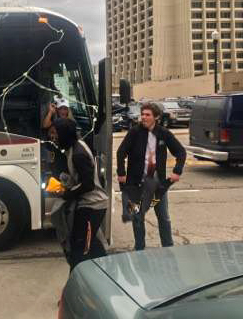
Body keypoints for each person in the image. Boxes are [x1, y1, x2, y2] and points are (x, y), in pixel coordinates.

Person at [117, 102, 186, 251]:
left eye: (147, 115)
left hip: (157, 187)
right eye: (142, 114)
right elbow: (120, 152)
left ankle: (168, 248)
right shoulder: (134, 133)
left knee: (163, 217)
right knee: (137, 218)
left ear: (156, 117)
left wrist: (177, 171)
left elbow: (180, 152)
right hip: (136, 186)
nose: (143, 117)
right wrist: (121, 174)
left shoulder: (164, 133)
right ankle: (140, 249)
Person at [51, 118, 109, 271]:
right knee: (92, 245)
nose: (53, 137)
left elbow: (88, 185)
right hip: (85, 204)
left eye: (55, 133)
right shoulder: (73, 147)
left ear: (64, 134)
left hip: (92, 205)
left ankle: (75, 282)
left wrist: (66, 193)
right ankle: (108, 273)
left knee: (79, 249)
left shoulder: (78, 153)